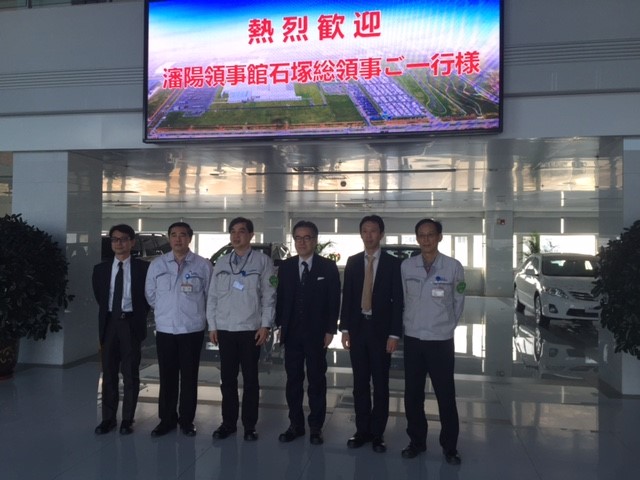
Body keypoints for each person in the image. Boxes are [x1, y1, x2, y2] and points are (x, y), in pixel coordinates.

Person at [400, 218, 465, 464]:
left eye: (430, 234)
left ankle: (450, 447)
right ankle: (416, 441)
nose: (426, 239)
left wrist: (446, 326)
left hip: (440, 341)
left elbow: (459, 301)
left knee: (445, 395)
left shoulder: (453, 267)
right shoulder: (407, 266)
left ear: (439, 237)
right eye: (421, 235)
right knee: (413, 395)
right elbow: (403, 299)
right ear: (417, 238)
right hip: (414, 339)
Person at [206, 217, 276, 442]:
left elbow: (269, 296)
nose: (236, 236)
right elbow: (212, 297)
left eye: (242, 231)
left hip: (250, 329)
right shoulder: (222, 262)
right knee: (227, 379)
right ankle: (228, 423)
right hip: (225, 329)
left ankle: (249, 425)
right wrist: (212, 326)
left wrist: (265, 325)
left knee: (250, 380)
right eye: (233, 232)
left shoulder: (263, 261)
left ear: (251, 235)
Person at [340, 215, 403, 453]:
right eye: (365, 231)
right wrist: (345, 329)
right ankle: (362, 430)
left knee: (381, 383)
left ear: (381, 234)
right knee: (359, 383)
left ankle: (378, 433)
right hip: (358, 329)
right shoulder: (353, 261)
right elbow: (347, 297)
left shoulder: (393, 264)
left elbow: (398, 301)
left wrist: (394, 334)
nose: (369, 235)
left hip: (381, 331)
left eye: (373, 231)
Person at [275, 220, 341, 445]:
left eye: (307, 238)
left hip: (317, 334)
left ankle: (315, 426)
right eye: (298, 238)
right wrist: (279, 326)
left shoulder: (327, 267)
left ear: (315, 240)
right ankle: (295, 424)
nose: (302, 242)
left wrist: (331, 329)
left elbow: (334, 300)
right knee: (293, 381)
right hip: (291, 334)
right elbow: (280, 299)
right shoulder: (286, 267)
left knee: (316, 381)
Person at [145, 222, 212, 437]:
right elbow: (150, 294)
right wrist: (166, 310)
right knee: (167, 376)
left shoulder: (202, 265)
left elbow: (209, 296)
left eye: (182, 235)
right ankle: (166, 420)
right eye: (173, 235)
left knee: (189, 377)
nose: (178, 239)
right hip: (166, 329)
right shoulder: (157, 265)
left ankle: (186, 421)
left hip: (192, 329)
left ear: (190, 238)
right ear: (169, 238)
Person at [92, 224, 150, 435]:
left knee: (130, 373)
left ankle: (127, 419)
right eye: (115, 239)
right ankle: (108, 419)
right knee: (108, 373)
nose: (119, 243)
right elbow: (100, 297)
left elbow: (147, 298)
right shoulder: (100, 270)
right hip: (109, 324)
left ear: (132, 242)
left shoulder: (143, 268)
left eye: (124, 239)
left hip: (130, 323)